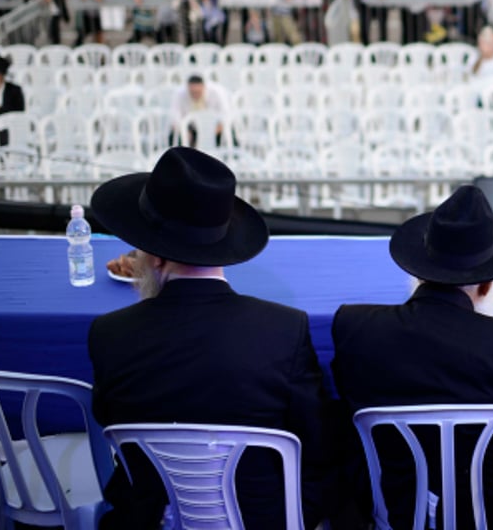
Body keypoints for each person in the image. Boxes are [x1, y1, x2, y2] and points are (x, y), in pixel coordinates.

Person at [88, 148, 340, 529]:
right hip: (263, 519)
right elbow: (317, 447)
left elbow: (114, 432)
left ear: (154, 259)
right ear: (224, 244)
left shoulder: (109, 334)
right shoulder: (285, 330)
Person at [330, 185, 493, 530]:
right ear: (488, 287)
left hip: (396, 511)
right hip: (491, 517)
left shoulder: (355, 329)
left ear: (417, 273)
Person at [172, 75, 231, 145]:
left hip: (215, 128)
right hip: (191, 128)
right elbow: (175, 118)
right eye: (192, 92)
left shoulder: (216, 93)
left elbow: (226, 115)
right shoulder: (179, 94)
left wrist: (210, 134)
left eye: (198, 92)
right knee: (176, 137)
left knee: (228, 133)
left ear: (204, 87)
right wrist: (184, 132)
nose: (195, 95)